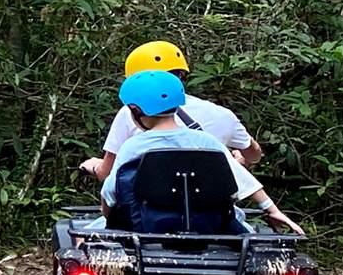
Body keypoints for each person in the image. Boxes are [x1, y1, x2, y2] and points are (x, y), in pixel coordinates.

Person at [99, 70, 303, 235]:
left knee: (82, 237)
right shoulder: (205, 141)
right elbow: (241, 179)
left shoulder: (133, 147)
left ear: (135, 110)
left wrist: (110, 219)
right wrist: (272, 210)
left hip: (145, 227)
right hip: (210, 228)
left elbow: (110, 194)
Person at [80, 41, 264, 181]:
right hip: (211, 216)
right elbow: (253, 154)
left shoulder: (131, 113)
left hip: (148, 215)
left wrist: (94, 166)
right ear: (181, 75)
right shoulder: (221, 115)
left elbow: (109, 173)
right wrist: (239, 159)